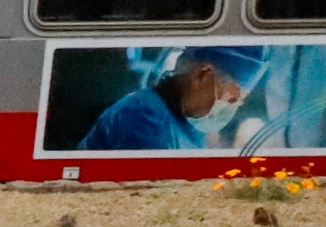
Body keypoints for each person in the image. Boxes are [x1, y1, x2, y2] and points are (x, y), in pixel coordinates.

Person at [78, 46, 267, 152]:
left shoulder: (188, 126)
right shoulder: (144, 119)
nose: (231, 108)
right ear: (200, 75)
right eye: (232, 98)